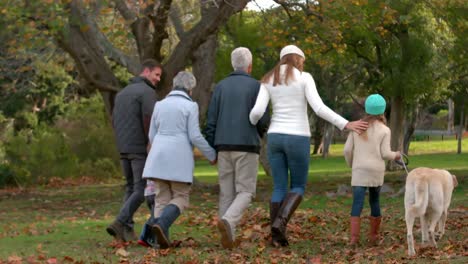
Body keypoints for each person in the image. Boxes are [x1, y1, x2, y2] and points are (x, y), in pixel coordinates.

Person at [249, 45, 368, 247]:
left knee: (279, 186)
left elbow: (256, 113)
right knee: (298, 186)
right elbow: (319, 107)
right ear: (298, 59)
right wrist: (345, 124)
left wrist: (254, 124)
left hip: (275, 137)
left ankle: (276, 237)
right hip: (298, 138)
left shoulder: (268, 79)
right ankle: (279, 223)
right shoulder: (305, 78)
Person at [205, 47, 270, 249]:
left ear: (234, 64)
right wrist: (260, 131)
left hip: (223, 145)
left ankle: (228, 238)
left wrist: (211, 147)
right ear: (249, 66)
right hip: (246, 145)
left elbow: (211, 120)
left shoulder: (220, 87)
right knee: (246, 191)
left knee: (226, 192)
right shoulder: (257, 87)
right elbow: (262, 118)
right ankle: (229, 221)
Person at [143, 71, 217, 249]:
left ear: (174, 86)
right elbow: (195, 135)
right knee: (181, 198)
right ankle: (161, 225)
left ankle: (160, 244)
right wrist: (211, 154)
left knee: (161, 199)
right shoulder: (190, 106)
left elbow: (152, 135)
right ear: (190, 89)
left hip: (157, 157)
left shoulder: (159, 105)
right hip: (178, 158)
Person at [107, 59, 162, 242]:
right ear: (146, 72)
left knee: (131, 187)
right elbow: (150, 120)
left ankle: (126, 230)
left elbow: (113, 120)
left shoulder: (122, 93)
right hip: (139, 148)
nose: (158, 79)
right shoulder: (147, 93)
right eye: (156, 74)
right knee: (141, 188)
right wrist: (151, 143)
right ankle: (119, 222)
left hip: (123, 147)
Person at [343, 94, 401, 246]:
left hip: (359, 170)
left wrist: (352, 165)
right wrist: (397, 155)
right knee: (374, 201)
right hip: (376, 170)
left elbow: (347, 150)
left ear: (367, 109)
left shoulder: (356, 127)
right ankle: (374, 237)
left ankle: (354, 239)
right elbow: (385, 154)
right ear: (382, 111)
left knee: (357, 203)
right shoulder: (385, 130)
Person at [137, 180, 156, 247]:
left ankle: (154, 239)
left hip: (148, 193)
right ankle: (144, 237)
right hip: (155, 192)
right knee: (156, 216)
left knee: (155, 216)